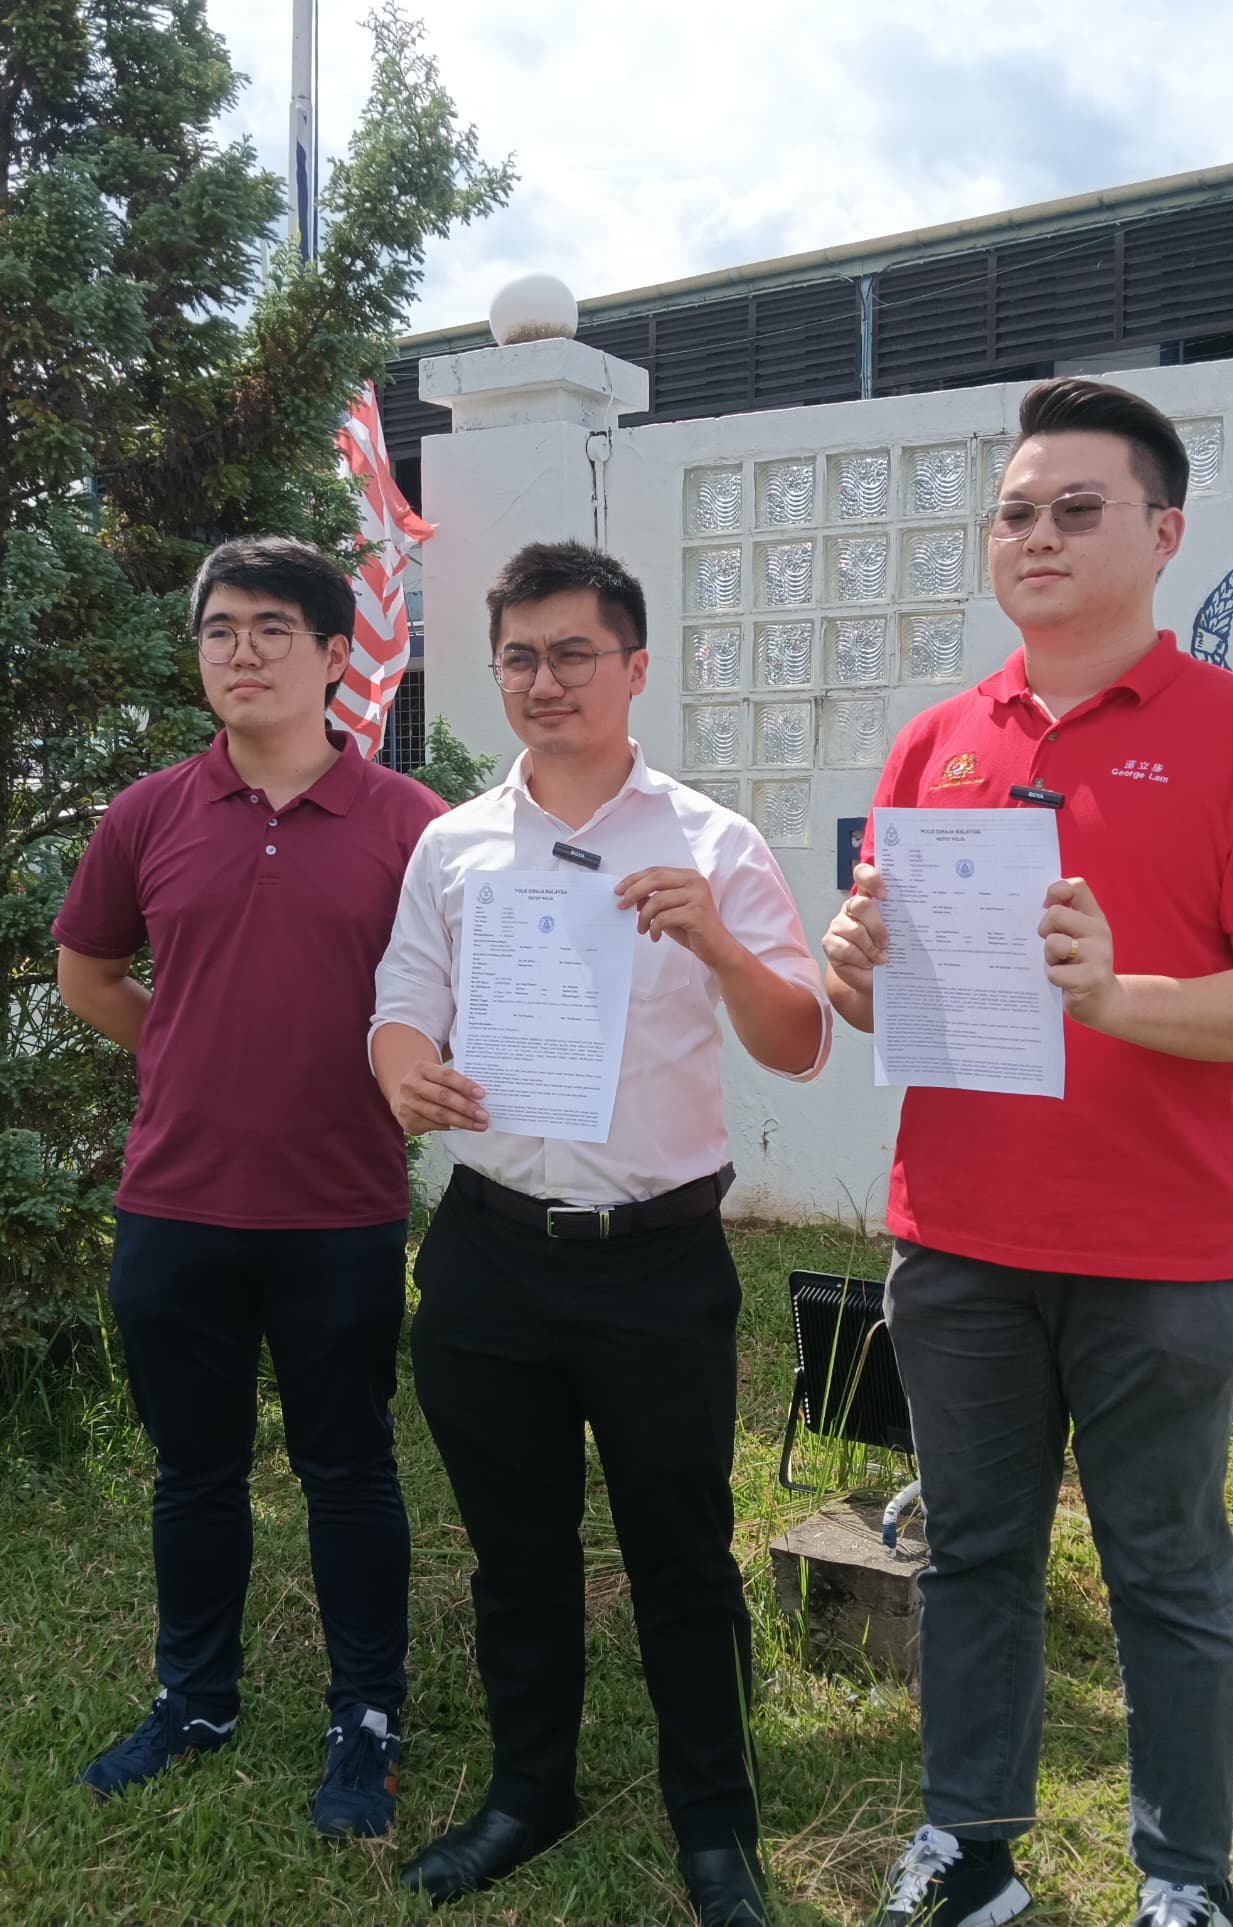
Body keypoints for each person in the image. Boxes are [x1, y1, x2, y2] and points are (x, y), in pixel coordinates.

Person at [824, 380, 1233, 1927]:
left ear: (1165, 533)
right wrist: (854, 967)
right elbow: (887, 1002)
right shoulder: (938, 743)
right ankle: (970, 1848)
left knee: (1165, 1573)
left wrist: (1120, 999)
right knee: (974, 1555)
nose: (1036, 536)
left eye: (1076, 509)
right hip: (959, 1241)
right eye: (1015, 513)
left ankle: (1184, 1880)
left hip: (1162, 1253)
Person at [369, 541, 829, 1927]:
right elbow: (402, 1000)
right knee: (517, 1554)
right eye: (519, 656)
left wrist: (722, 947)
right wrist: (404, 1071)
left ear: (634, 668)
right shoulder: (454, 843)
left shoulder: (711, 843)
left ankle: (716, 1830)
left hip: (655, 1261)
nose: (544, 680)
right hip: (489, 1253)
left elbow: (801, 1042)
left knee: (682, 1553)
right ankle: (529, 1793)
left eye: (574, 653)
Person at [53, 535, 446, 1839]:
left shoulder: (413, 827)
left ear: (336, 657)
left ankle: (366, 1715)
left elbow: (458, 996)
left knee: (348, 1470)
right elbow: (88, 975)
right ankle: (195, 1698)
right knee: (194, 1471)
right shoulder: (149, 814)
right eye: (221, 629)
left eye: (274, 629)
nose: (242, 652)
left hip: (340, 1208)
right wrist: (181, 1050)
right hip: (176, 1206)